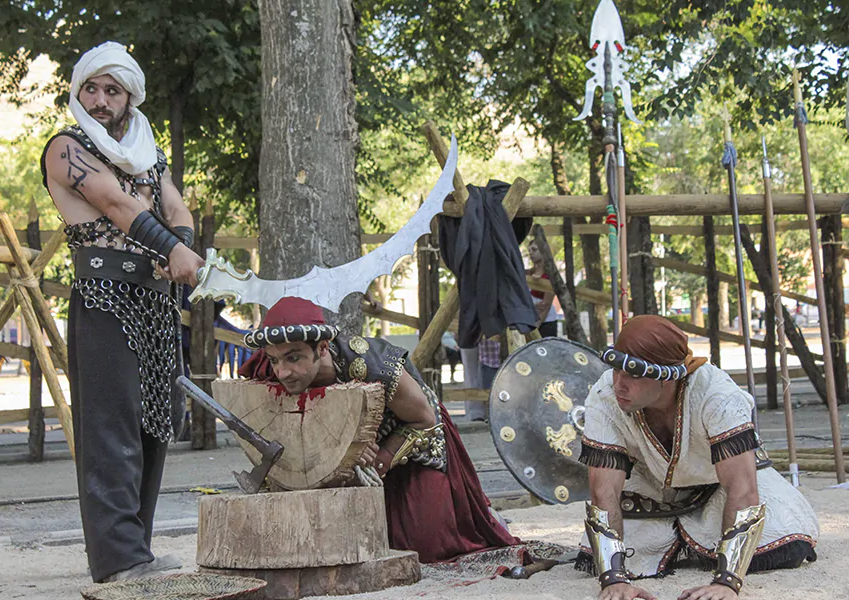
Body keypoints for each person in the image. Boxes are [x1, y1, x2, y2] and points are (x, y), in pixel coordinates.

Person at [40, 41, 205, 583]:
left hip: (154, 300)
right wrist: (174, 250)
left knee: (154, 425)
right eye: (92, 87)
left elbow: (174, 205)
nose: (101, 98)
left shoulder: (147, 154)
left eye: (113, 90)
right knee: (110, 428)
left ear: (130, 98)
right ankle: (118, 560)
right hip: (104, 298)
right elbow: (117, 204)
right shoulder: (66, 149)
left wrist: (178, 243)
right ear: (79, 92)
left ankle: (139, 548)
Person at [238, 297, 521, 563]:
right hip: (333, 460)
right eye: (275, 360)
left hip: (408, 444)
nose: (282, 372)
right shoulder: (268, 370)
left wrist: (380, 459)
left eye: (293, 358)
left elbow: (424, 419)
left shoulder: (373, 366)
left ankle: (477, 513)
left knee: (427, 543)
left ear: (322, 347)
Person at [576, 315, 818, 600]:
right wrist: (613, 580)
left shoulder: (717, 395)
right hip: (654, 491)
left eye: (633, 374)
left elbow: (742, 487)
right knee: (608, 555)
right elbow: (604, 492)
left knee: (780, 533)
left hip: (721, 487)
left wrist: (727, 583)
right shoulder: (605, 394)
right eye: (616, 369)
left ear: (666, 377)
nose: (619, 383)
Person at [526, 240, 559, 337]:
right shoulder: (528, 273)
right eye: (529, 250)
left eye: (534, 249)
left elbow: (546, 305)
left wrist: (535, 329)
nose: (531, 253)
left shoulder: (549, 275)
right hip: (530, 319)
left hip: (545, 321)